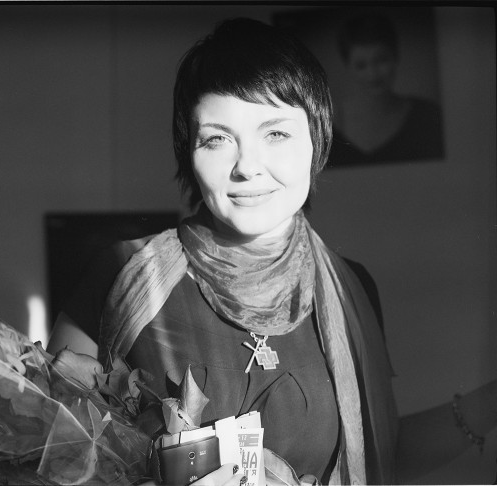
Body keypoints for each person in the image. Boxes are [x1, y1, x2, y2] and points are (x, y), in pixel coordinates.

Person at [47, 18, 496, 485]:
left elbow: (379, 454)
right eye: (217, 138)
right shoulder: (119, 275)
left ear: (317, 141)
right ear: (190, 153)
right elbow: (41, 458)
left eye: (276, 133)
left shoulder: (352, 289)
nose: (247, 166)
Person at [329, 13, 444, 166]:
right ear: (348, 67)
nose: (373, 74)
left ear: (396, 57)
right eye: (361, 66)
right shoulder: (327, 123)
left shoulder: (428, 116)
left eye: (381, 60)